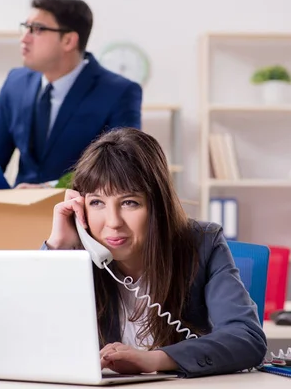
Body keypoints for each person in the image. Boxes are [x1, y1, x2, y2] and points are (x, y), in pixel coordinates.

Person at [42, 127, 267, 378]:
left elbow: (247, 338)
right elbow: (27, 336)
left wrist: (154, 359)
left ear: (157, 206)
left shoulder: (203, 244)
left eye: (129, 202)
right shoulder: (77, 255)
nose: (113, 222)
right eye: (97, 203)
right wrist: (57, 249)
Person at [0, 0, 142, 188]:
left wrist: (50, 187)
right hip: (19, 209)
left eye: (37, 29)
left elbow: (121, 166)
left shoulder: (119, 91)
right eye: (25, 27)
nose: (24, 38)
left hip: (80, 210)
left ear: (68, 40)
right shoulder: (15, 83)